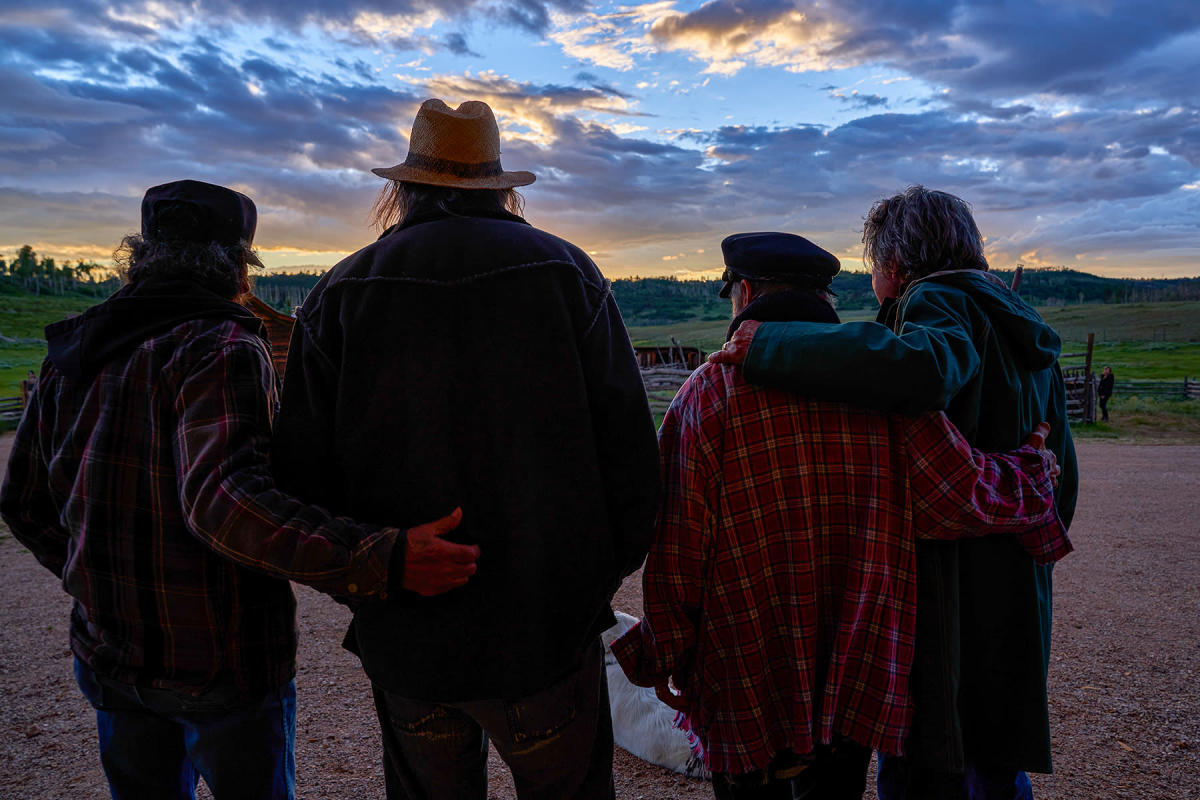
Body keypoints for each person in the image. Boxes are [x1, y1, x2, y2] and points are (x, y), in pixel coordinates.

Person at [0, 179, 479, 800]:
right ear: (238, 265)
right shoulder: (220, 345)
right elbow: (224, 503)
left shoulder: (76, 349)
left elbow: (24, 502)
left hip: (109, 653)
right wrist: (377, 556)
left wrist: (90, 577)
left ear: (142, 254)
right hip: (221, 662)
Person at [271, 99, 659, 800]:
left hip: (412, 646)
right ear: (500, 185)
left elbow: (299, 484)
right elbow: (635, 465)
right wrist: (581, 593)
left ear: (403, 188)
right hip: (544, 637)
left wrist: (374, 585)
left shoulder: (339, 292)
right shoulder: (568, 274)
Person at [612, 232, 1072, 800]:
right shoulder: (880, 392)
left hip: (744, 676)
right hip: (854, 671)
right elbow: (960, 492)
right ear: (826, 299)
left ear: (745, 292)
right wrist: (1034, 471)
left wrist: (665, 656)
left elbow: (678, 553)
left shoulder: (706, 396)